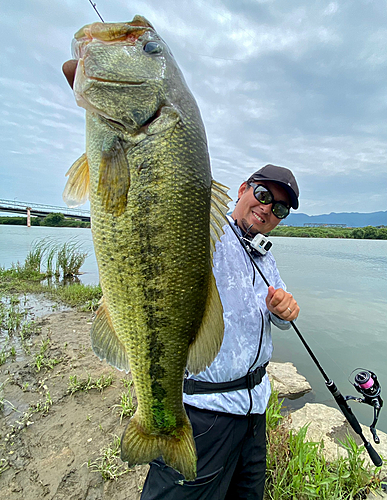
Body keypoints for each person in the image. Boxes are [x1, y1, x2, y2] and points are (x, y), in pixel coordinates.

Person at [62, 62, 300, 499]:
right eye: (265, 195)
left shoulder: (265, 259)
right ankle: (157, 422)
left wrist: (284, 311)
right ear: (245, 188)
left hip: (253, 417)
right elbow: (74, 72)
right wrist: (110, 87)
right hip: (205, 413)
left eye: (281, 210)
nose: (268, 209)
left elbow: (275, 317)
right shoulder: (205, 231)